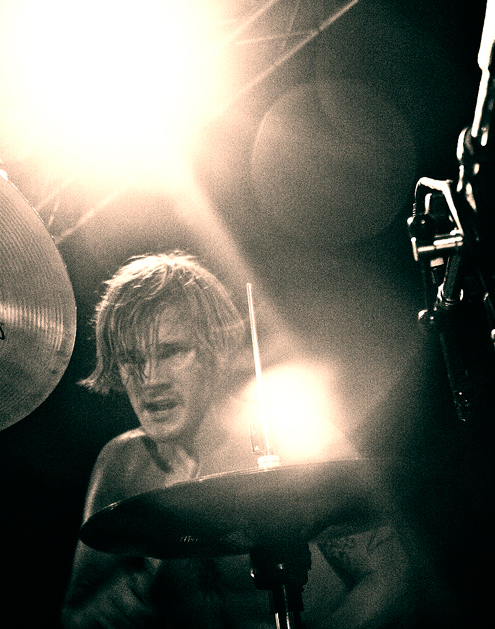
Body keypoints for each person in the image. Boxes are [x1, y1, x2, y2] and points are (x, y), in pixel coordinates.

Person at [61, 252, 412, 629]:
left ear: (218, 350)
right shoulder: (122, 465)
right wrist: (121, 600)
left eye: (171, 351)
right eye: (131, 359)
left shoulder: (288, 437)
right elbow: (74, 614)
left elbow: (391, 576)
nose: (150, 379)